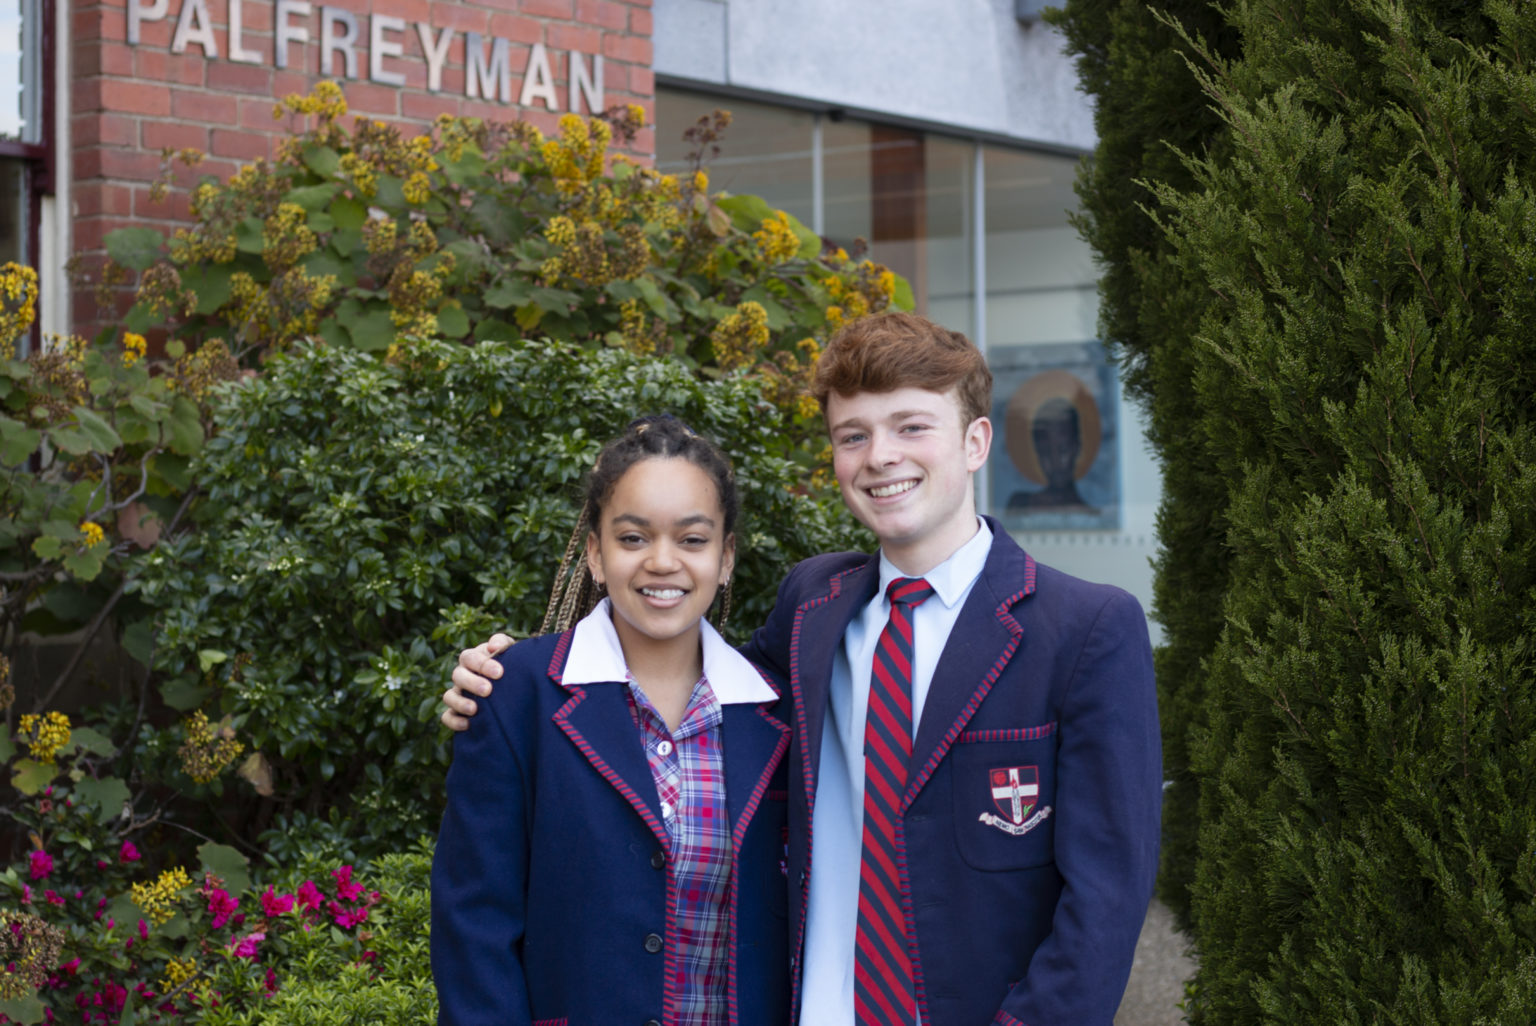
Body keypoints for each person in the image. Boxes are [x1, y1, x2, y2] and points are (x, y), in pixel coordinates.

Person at [444, 313, 1161, 1026]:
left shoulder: (1085, 630)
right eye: (854, 436)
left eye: (912, 427)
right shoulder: (813, 609)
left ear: (975, 442)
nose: (881, 456)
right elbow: (679, 683)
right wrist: (498, 676)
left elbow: (1105, 900)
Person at [431, 415, 792, 1026]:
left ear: (726, 557)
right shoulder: (516, 692)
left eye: (693, 539)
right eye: (632, 538)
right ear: (595, 554)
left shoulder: (776, 711)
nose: (662, 562)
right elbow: (475, 921)